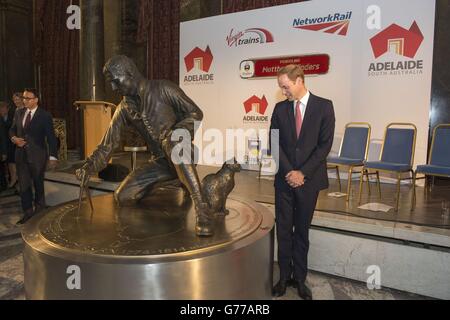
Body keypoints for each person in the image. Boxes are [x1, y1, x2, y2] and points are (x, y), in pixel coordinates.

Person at [76, 55, 215, 237]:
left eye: (116, 81)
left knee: (174, 143)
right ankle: (178, 179)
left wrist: (178, 132)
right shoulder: (124, 108)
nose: (113, 88)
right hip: (160, 162)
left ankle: (202, 207)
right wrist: (89, 166)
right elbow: (107, 144)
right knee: (123, 196)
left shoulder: (164, 89)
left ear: (130, 73)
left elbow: (196, 113)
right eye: (111, 83)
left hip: (182, 153)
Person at [270, 65, 335, 300]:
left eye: (285, 87)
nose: (283, 91)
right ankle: (283, 277)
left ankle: (300, 279)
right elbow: (274, 143)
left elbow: (324, 146)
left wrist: (302, 173)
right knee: (284, 231)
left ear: (299, 80)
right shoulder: (279, 109)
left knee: (301, 232)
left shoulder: (324, 107)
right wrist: (290, 172)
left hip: (309, 182)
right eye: (281, 87)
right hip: (284, 181)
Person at [9, 89, 58, 224]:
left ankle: (39, 213)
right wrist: (14, 138)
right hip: (20, 156)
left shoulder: (45, 115)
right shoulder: (18, 112)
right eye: (23, 98)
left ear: (36, 100)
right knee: (24, 186)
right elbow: (12, 129)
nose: (24, 100)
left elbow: (51, 138)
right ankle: (28, 213)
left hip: (37, 156)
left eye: (28, 98)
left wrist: (53, 156)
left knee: (38, 185)